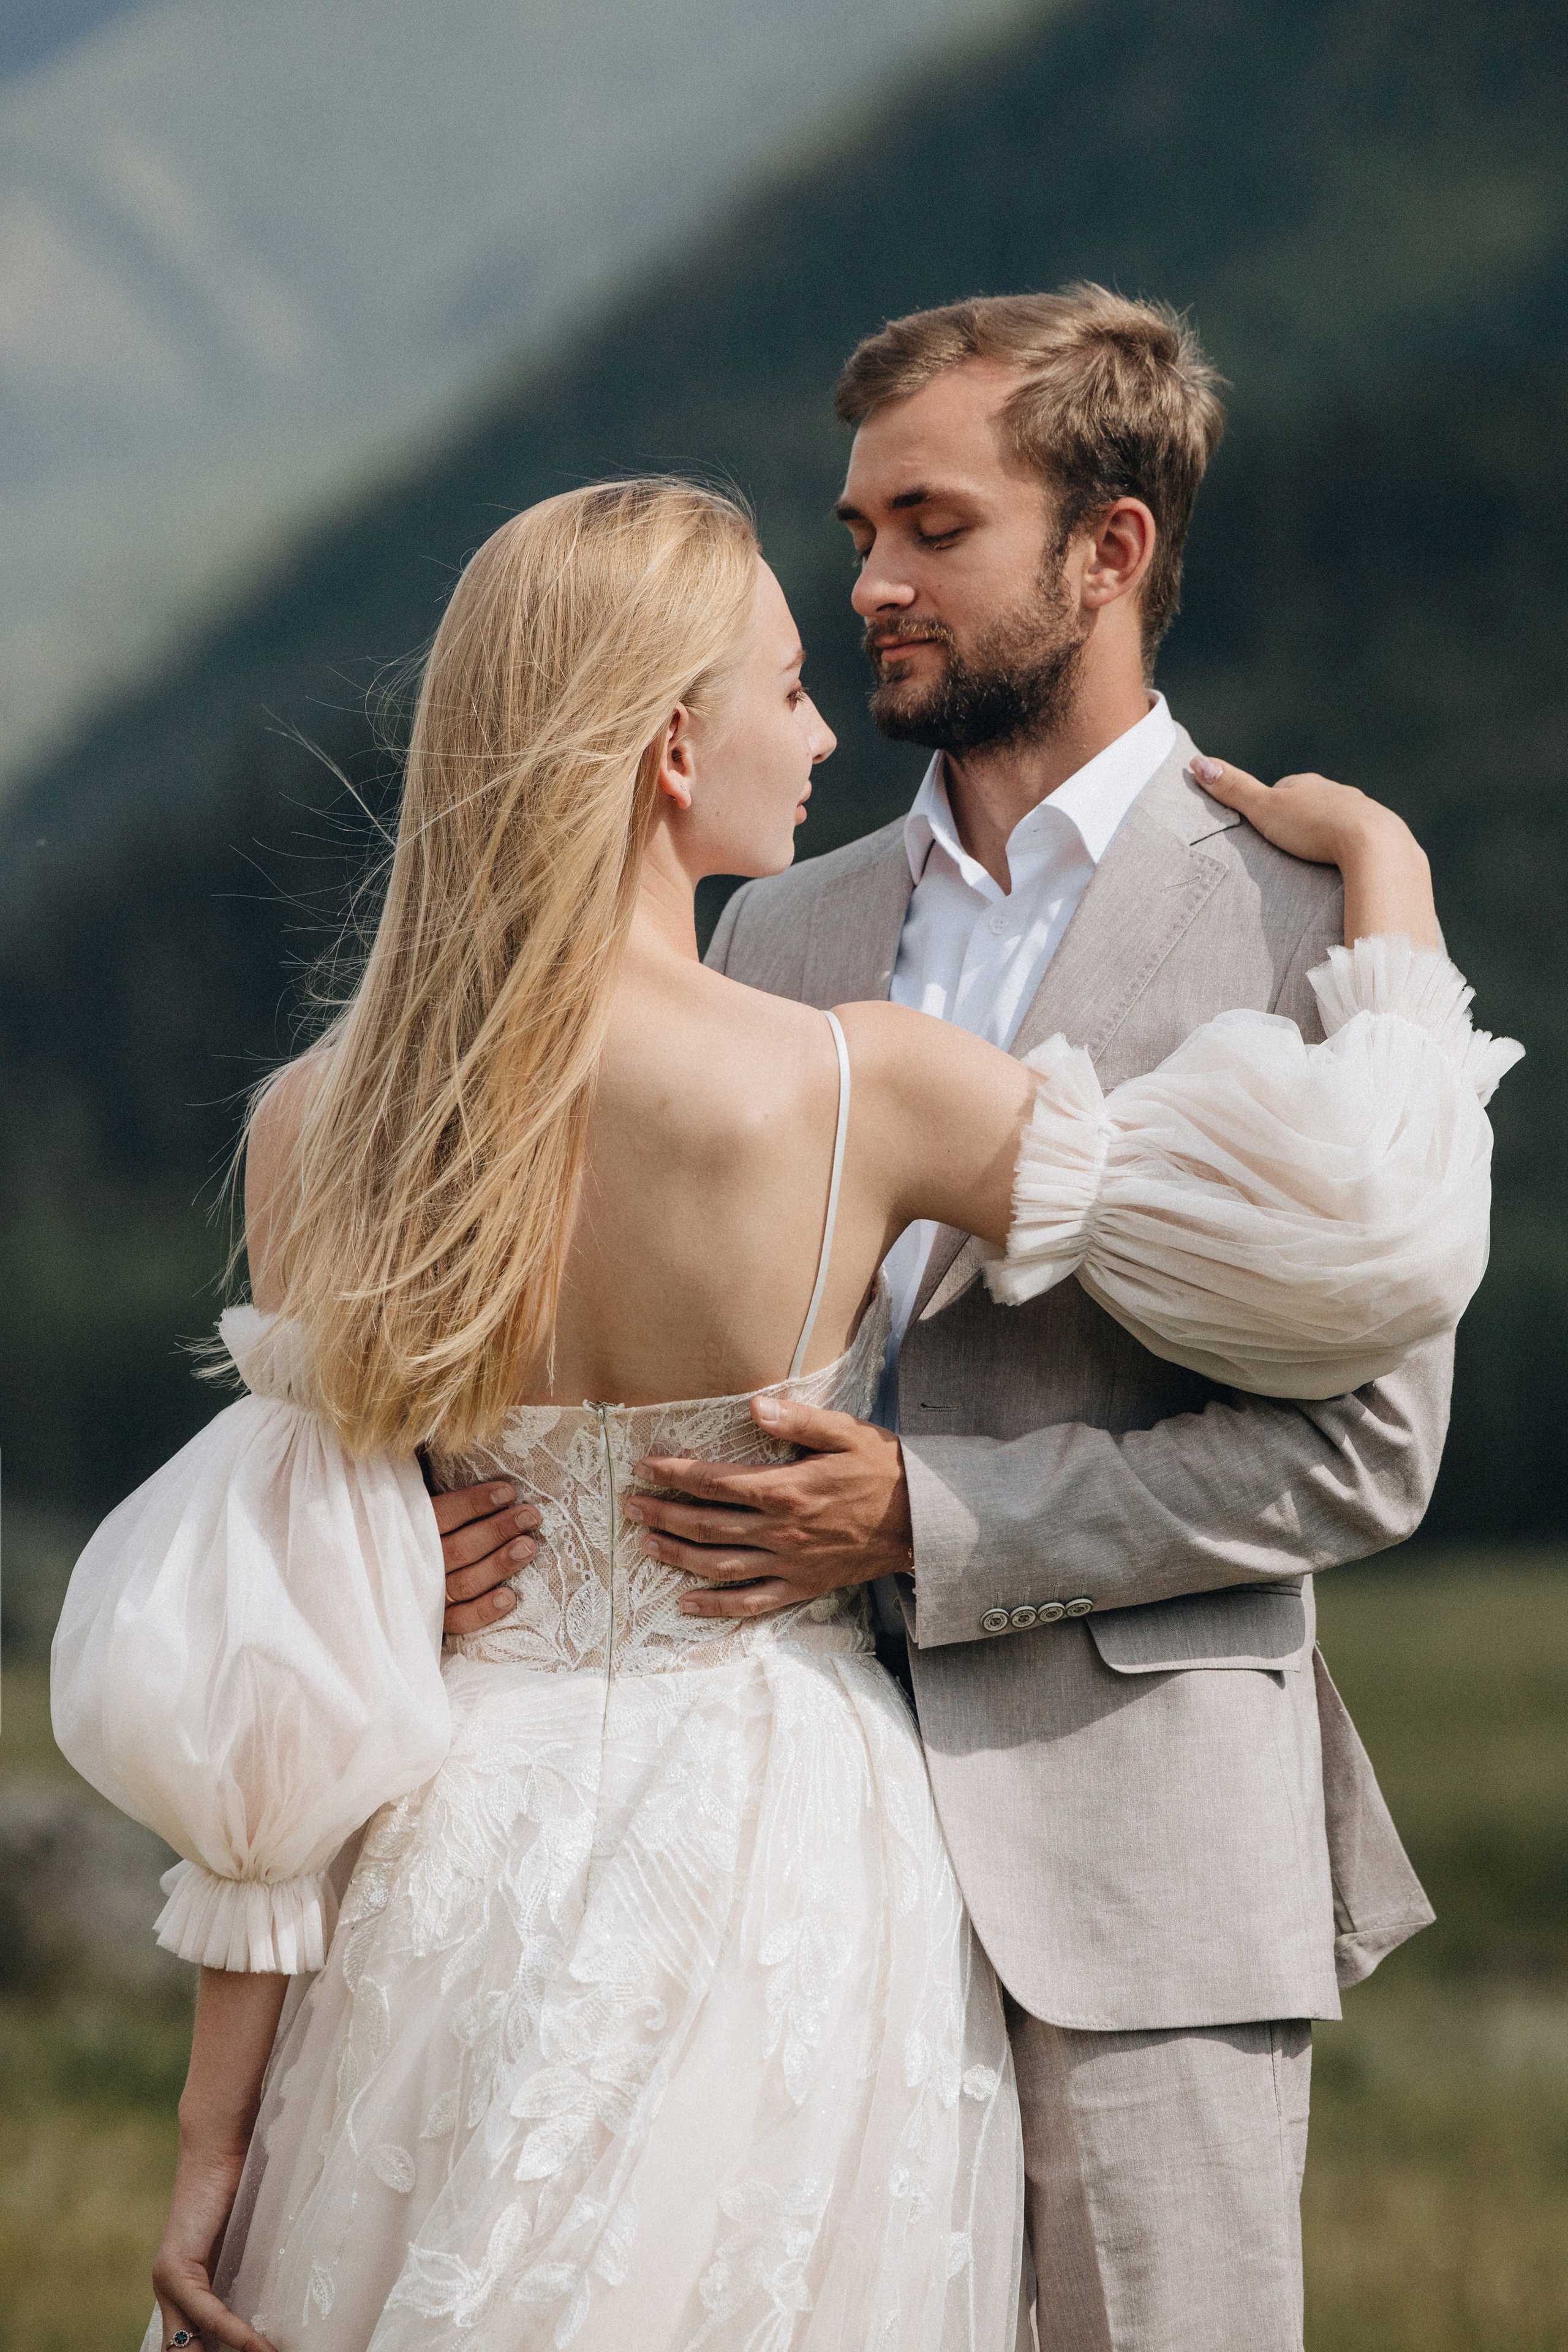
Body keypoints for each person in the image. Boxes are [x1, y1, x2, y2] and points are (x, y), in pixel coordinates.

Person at [51, 475, 1514, 2352]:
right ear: (675, 749)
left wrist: (211, 2140)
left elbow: (283, 1688)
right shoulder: (861, 1088)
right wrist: (1385, 878)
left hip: (437, 1863)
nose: (826, 735)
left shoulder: (313, 1129)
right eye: (789, 688)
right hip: (775, 1861)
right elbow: (1366, 1235)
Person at [435, 293, 1528, 2351]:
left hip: (1139, 1881)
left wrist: (936, 1522)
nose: (871, 582)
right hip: (776, 1871)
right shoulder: (776, 920)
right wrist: (461, 1518)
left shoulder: (1311, 918)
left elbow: (1368, 1452)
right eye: (860, 531)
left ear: (1109, 550)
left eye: (933, 527)